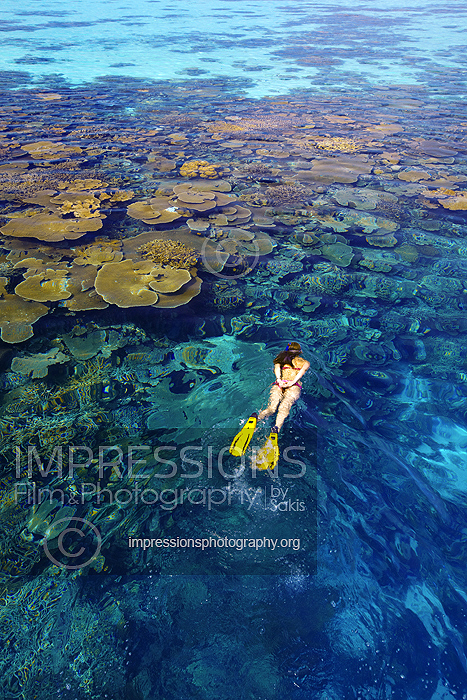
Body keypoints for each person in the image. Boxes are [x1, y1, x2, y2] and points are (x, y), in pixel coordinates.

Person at [229, 342, 309, 469]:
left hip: (279, 384)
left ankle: (255, 419)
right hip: (294, 386)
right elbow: (299, 375)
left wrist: (279, 380)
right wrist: (290, 383)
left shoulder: (280, 358)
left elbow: (277, 370)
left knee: (271, 408)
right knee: (284, 407)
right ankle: (276, 428)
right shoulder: (305, 363)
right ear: (300, 352)